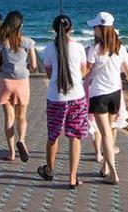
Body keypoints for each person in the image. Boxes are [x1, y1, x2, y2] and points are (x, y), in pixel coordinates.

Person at [84, 12, 128, 185]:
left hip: (99, 94)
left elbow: (86, 72)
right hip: (115, 94)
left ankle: (113, 173)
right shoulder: (120, 48)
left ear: (101, 29)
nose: (93, 29)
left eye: (95, 27)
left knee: (105, 134)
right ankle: (105, 168)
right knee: (110, 130)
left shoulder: (94, 49)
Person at [38, 14, 89, 188]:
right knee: (75, 137)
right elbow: (83, 71)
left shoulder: (48, 48)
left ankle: (49, 170)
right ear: (71, 28)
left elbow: (49, 73)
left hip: (56, 97)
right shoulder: (79, 47)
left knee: (53, 135)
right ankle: (72, 177)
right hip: (77, 96)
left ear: (54, 29)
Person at [0, 10, 39, 163]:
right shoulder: (28, 42)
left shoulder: (0, 43)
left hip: (6, 82)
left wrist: (3, 69)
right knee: (22, 117)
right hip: (22, 82)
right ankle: (22, 140)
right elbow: (34, 65)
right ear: (21, 26)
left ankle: (11, 152)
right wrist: (26, 69)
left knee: (9, 118)